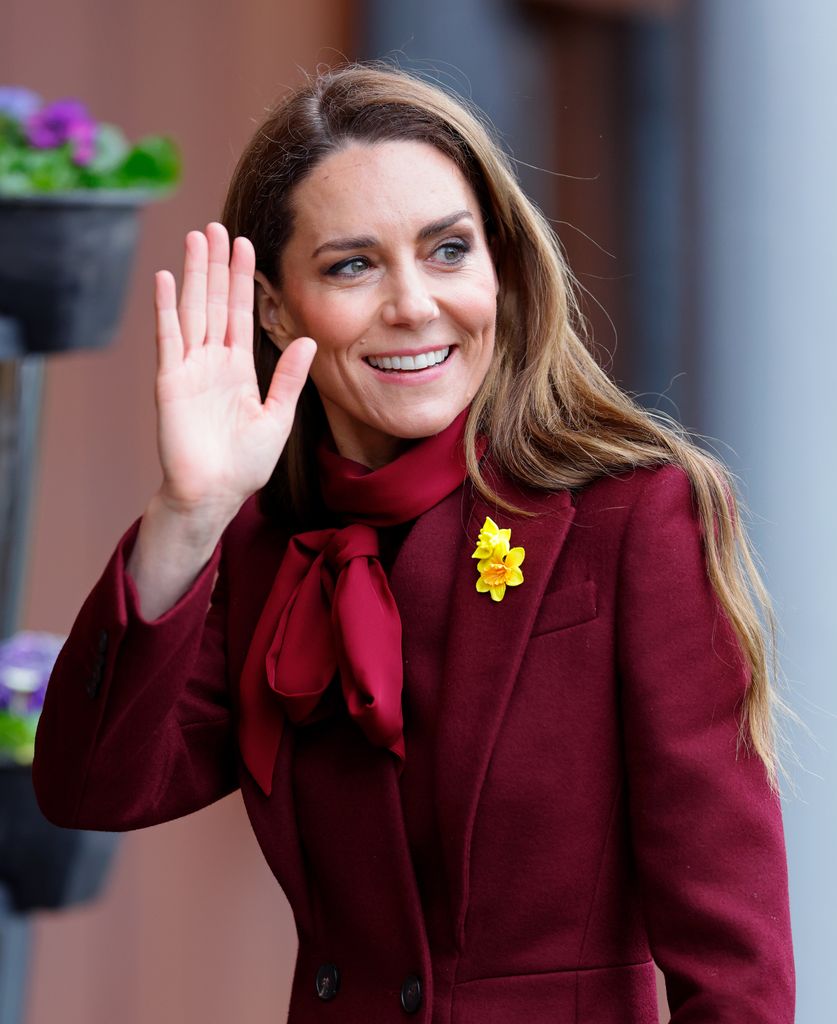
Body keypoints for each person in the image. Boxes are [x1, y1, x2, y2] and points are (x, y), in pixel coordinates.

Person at [32, 63, 794, 1022]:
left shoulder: (634, 516)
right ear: (275, 307)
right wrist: (188, 513)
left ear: (499, 267)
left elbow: (735, 966)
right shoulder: (262, 544)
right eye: (352, 265)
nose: (413, 305)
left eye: (446, 250)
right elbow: (89, 790)